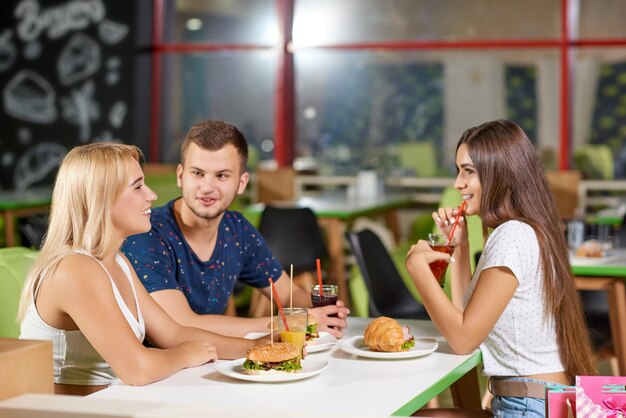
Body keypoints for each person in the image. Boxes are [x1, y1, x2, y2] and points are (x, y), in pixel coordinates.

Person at [18, 143, 268, 396]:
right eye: (137, 186)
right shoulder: (75, 269)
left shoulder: (118, 262)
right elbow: (138, 370)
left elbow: (172, 333)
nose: (151, 195)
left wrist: (258, 345)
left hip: (112, 402)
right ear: (102, 197)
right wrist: (185, 355)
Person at [405, 120, 596, 417]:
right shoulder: (527, 230)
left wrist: (417, 268)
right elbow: (466, 325)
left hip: (527, 407)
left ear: (499, 174)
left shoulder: (512, 236)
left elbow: (462, 340)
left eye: (468, 171)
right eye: (458, 171)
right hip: (538, 403)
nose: (458, 183)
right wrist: (460, 246)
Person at [121, 120, 349, 339]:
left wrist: (321, 308)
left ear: (241, 183)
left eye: (221, 176)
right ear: (181, 176)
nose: (207, 187)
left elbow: (287, 293)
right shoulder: (147, 232)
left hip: (207, 361)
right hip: (153, 369)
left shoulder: (237, 230)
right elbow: (181, 323)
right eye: (198, 173)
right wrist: (290, 323)